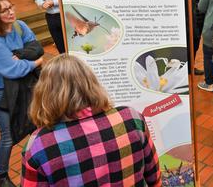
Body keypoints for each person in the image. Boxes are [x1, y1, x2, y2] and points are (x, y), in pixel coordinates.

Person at [22, 54, 161, 186]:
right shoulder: (131, 118)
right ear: (92, 82)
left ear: (44, 92)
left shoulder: (39, 144)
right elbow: (154, 177)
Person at [0, 0, 43, 187]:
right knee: (8, 136)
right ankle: (1, 175)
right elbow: (11, 69)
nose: (11, 12)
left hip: (23, 85)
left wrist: (20, 55)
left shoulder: (19, 25)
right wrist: (36, 63)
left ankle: (34, 163)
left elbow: (37, 48)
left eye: (11, 6)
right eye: (4, 10)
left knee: (35, 124)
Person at [186, 0, 205, 75]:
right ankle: (188, 69)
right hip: (190, 24)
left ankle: (190, 67)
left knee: (195, 46)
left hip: (199, 23)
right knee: (190, 47)